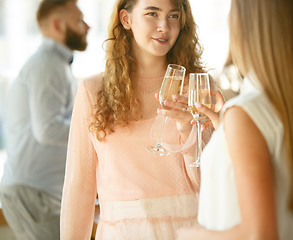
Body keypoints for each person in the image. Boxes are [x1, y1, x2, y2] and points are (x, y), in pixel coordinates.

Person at [177, 0, 293, 239]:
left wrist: (191, 235)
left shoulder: (246, 113)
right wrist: (226, 128)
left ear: (249, 20)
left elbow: (259, 234)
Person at [60, 0, 209, 239]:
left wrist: (188, 130)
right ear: (126, 19)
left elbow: (212, 184)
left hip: (188, 231)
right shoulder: (94, 91)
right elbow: (79, 188)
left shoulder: (198, 87)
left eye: (173, 16)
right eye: (152, 13)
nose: (164, 26)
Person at [0, 0, 89, 239]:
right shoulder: (48, 64)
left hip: (39, 192)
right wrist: (95, 129)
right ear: (58, 25)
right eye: (79, 20)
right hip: (35, 193)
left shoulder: (55, 65)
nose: (87, 26)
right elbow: (48, 130)